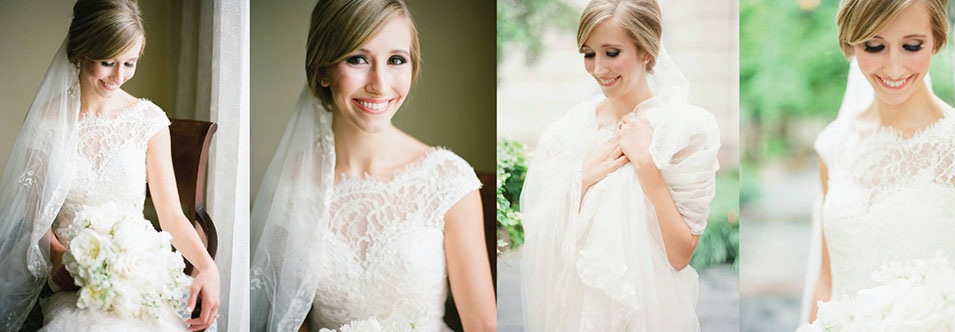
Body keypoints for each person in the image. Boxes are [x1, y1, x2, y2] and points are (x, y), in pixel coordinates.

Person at [248, 0, 497, 331]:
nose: (380, 83)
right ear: (322, 71)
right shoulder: (294, 183)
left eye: (396, 60)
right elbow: (291, 320)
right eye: (357, 59)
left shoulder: (448, 181)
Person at [0, 0, 220, 330]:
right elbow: (34, 213)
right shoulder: (46, 123)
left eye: (130, 63)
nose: (119, 76)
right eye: (107, 62)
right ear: (79, 53)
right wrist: (59, 253)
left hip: (138, 277)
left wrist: (208, 267)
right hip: (74, 281)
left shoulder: (148, 121)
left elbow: (172, 217)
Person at [518, 0, 720, 330]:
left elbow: (680, 255)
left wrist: (647, 166)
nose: (598, 68)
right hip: (571, 315)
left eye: (611, 53)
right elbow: (538, 240)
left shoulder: (687, 130)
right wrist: (579, 181)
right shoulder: (566, 132)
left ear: (647, 51)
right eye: (588, 53)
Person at [809, 0, 955, 321]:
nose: (893, 67)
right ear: (852, 42)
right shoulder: (833, 145)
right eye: (874, 46)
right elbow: (826, 280)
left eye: (911, 46)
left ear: (936, 40)